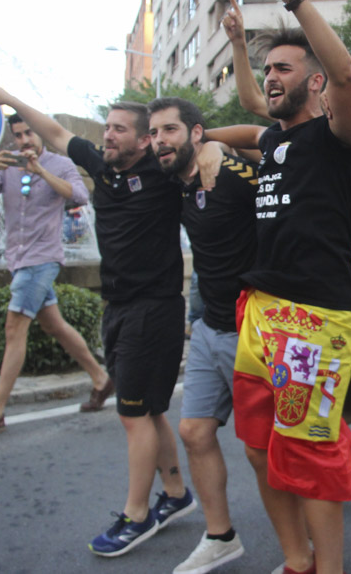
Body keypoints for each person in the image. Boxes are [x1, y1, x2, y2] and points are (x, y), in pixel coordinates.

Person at [0, 82, 223, 558]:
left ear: (145, 140)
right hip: (119, 305)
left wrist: (211, 147)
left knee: (131, 414)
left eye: (118, 130)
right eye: (106, 128)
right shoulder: (100, 165)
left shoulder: (163, 170)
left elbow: (203, 142)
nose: (107, 136)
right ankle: (175, 494)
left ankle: (136, 515)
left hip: (154, 308)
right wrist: (9, 99)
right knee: (149, 409)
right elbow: (52, 129)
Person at [205, 0, 351, 574]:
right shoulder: (273, 141)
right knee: (255, 444)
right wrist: (241, 46)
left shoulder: (338, 136)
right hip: (260, 313)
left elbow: (350, 75)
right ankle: (295, 559)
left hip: (315, 318)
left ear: (317, 83)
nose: (272, 79)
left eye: (285, 69)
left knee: (311, 457)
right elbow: (249, 109)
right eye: (270, 70)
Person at [146, 97, 257, 574]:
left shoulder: (229, 175)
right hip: (210, 327)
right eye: (154, 133)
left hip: (252, 329)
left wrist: (216, 146)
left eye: (169, 130)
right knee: (193, 431)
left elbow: (271, 150)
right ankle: (220, 536)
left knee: (264, 449)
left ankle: (308, 546)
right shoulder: (177, 182)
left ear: (196, 133)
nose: (159, 141)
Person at [0, 114, 111, 433]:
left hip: (43, 258)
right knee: (54, 325)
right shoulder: (9, 164)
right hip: (19, 258)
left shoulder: (59, 163)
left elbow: (80, 196)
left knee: (15, 328)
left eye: (29, 133)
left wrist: (40, 171)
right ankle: (100, 378)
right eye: (18, 135)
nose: (25, 140)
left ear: (40, 133)